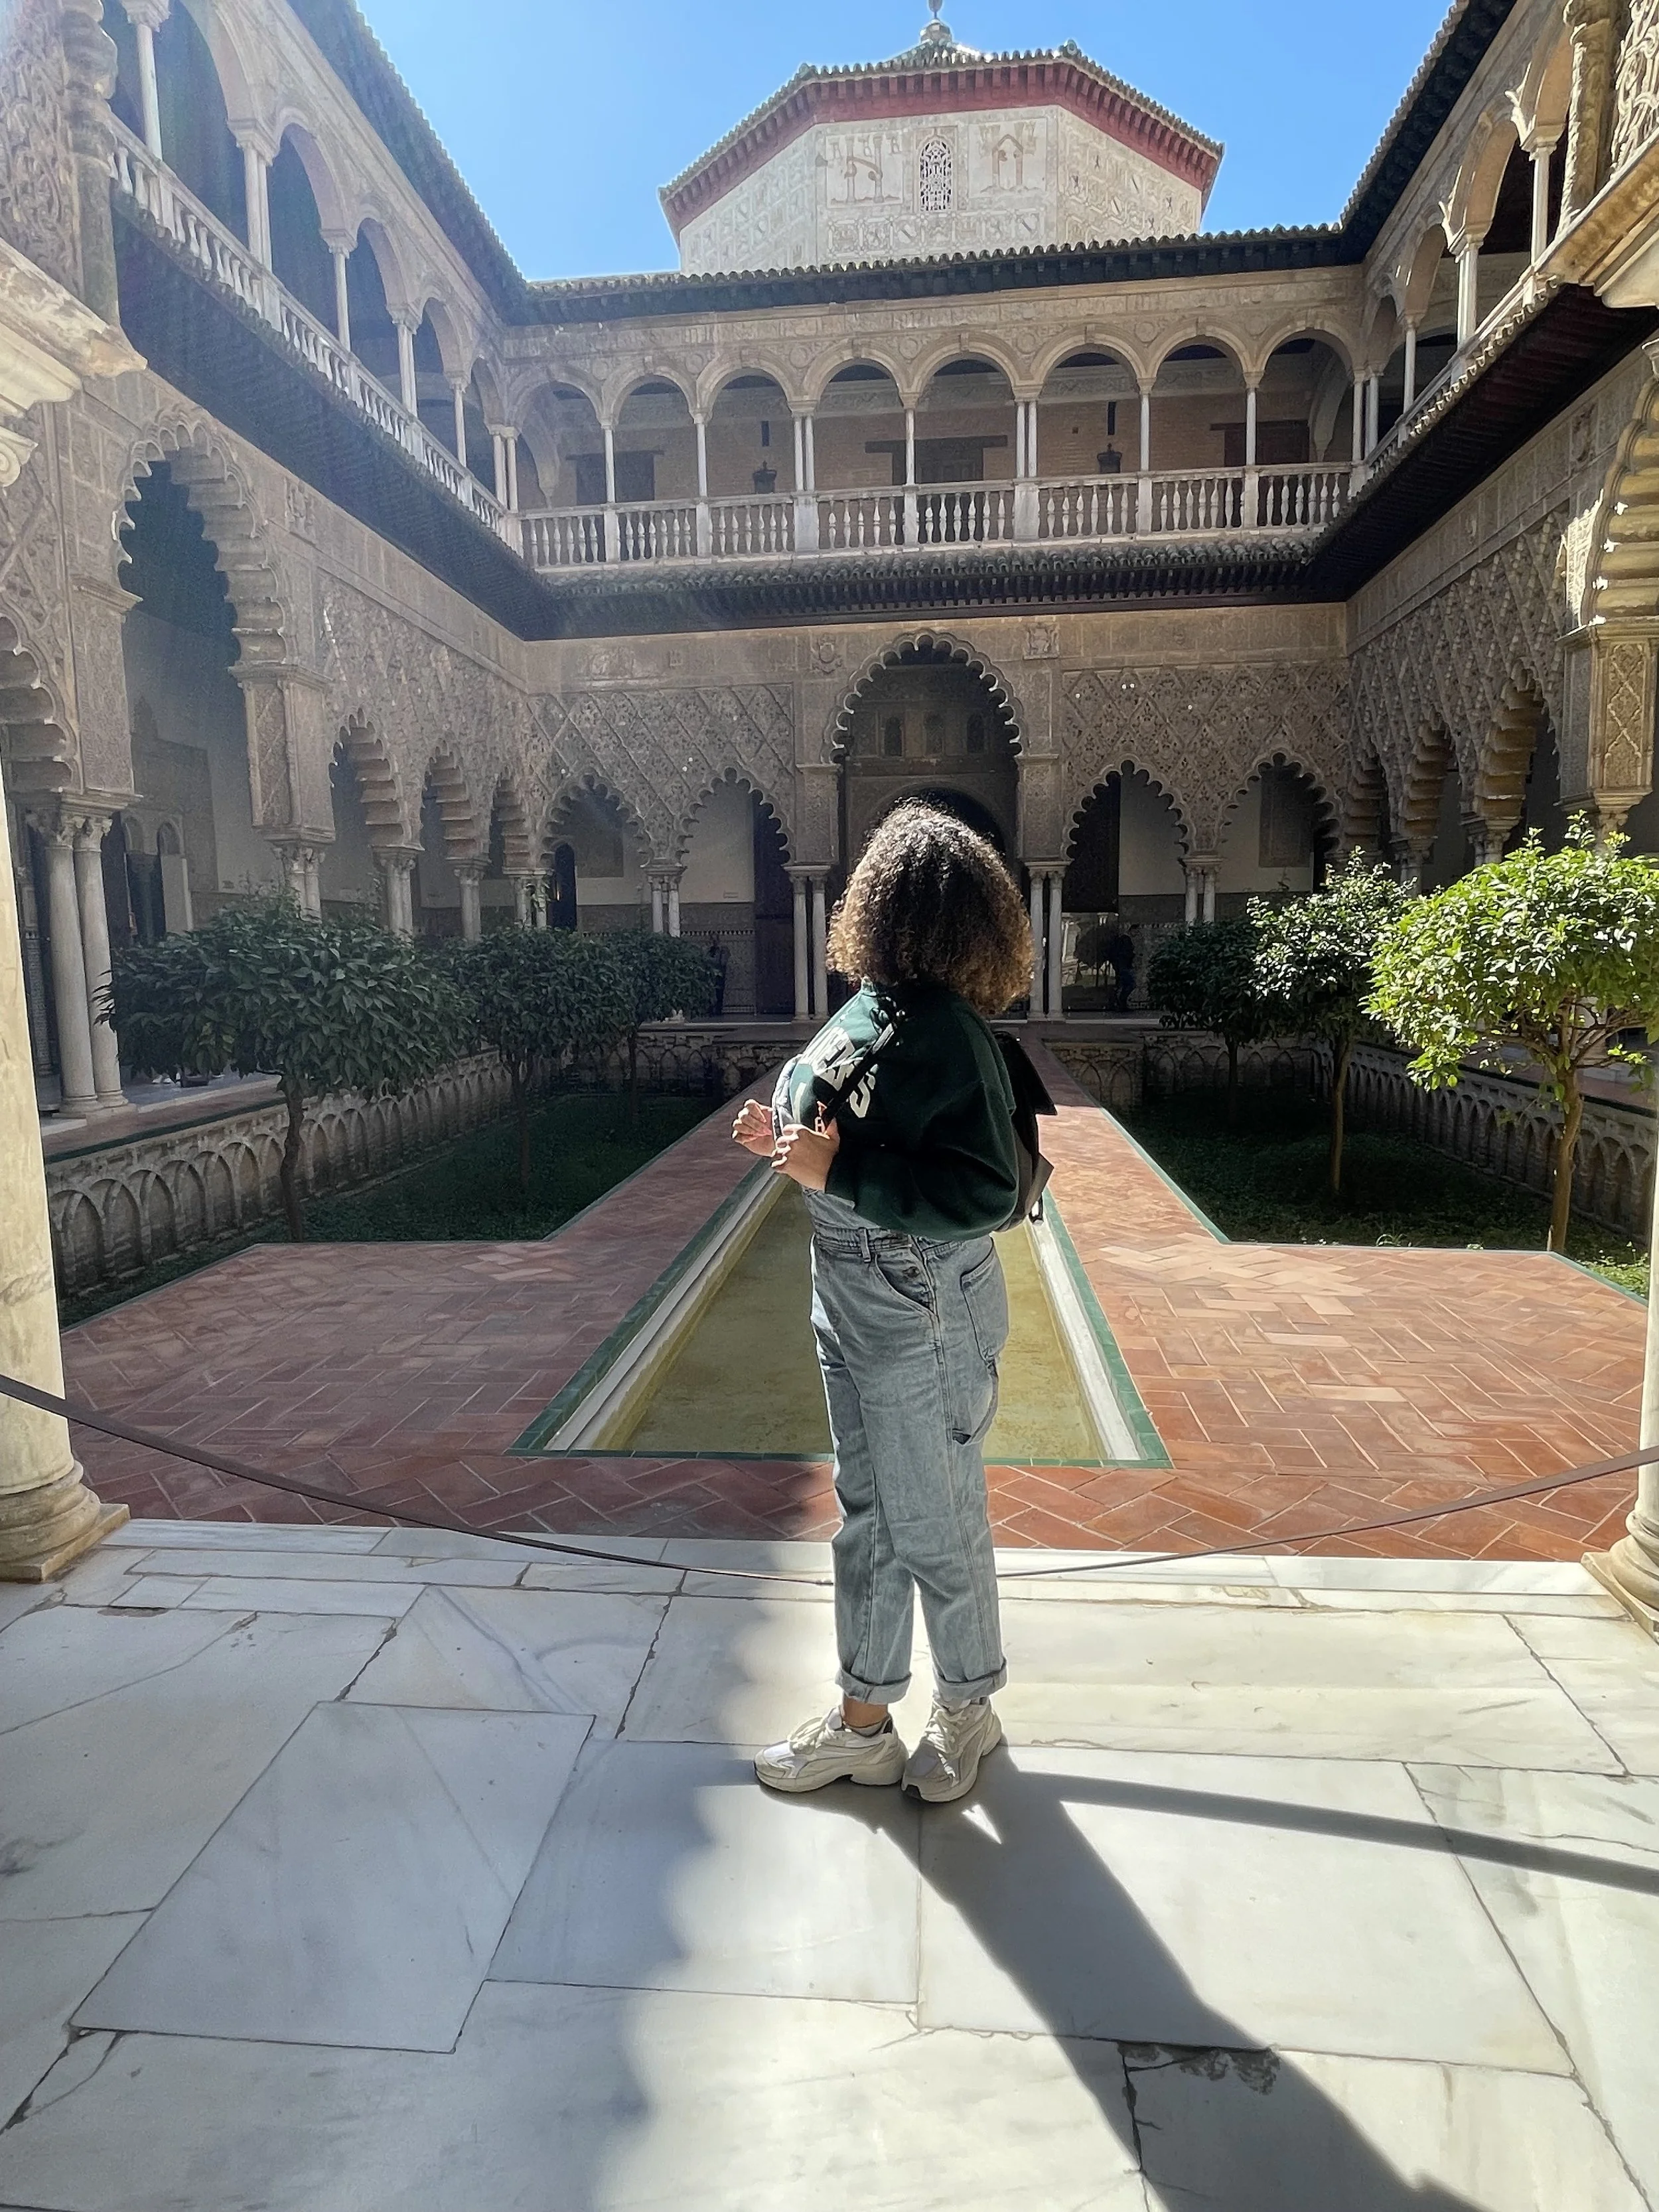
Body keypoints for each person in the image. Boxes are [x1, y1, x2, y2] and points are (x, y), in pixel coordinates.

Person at [731, 802, 1031, 1804]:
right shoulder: (869, 1004)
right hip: (849, 1291)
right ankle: (865, 1722)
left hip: (920, 1300)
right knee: (868, 1516)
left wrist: (841, 1169)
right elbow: (828, 1099)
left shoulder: (951, 1034)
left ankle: (969, 1709)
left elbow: (986, 1191)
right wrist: (782, 1135)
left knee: (937, 1520)